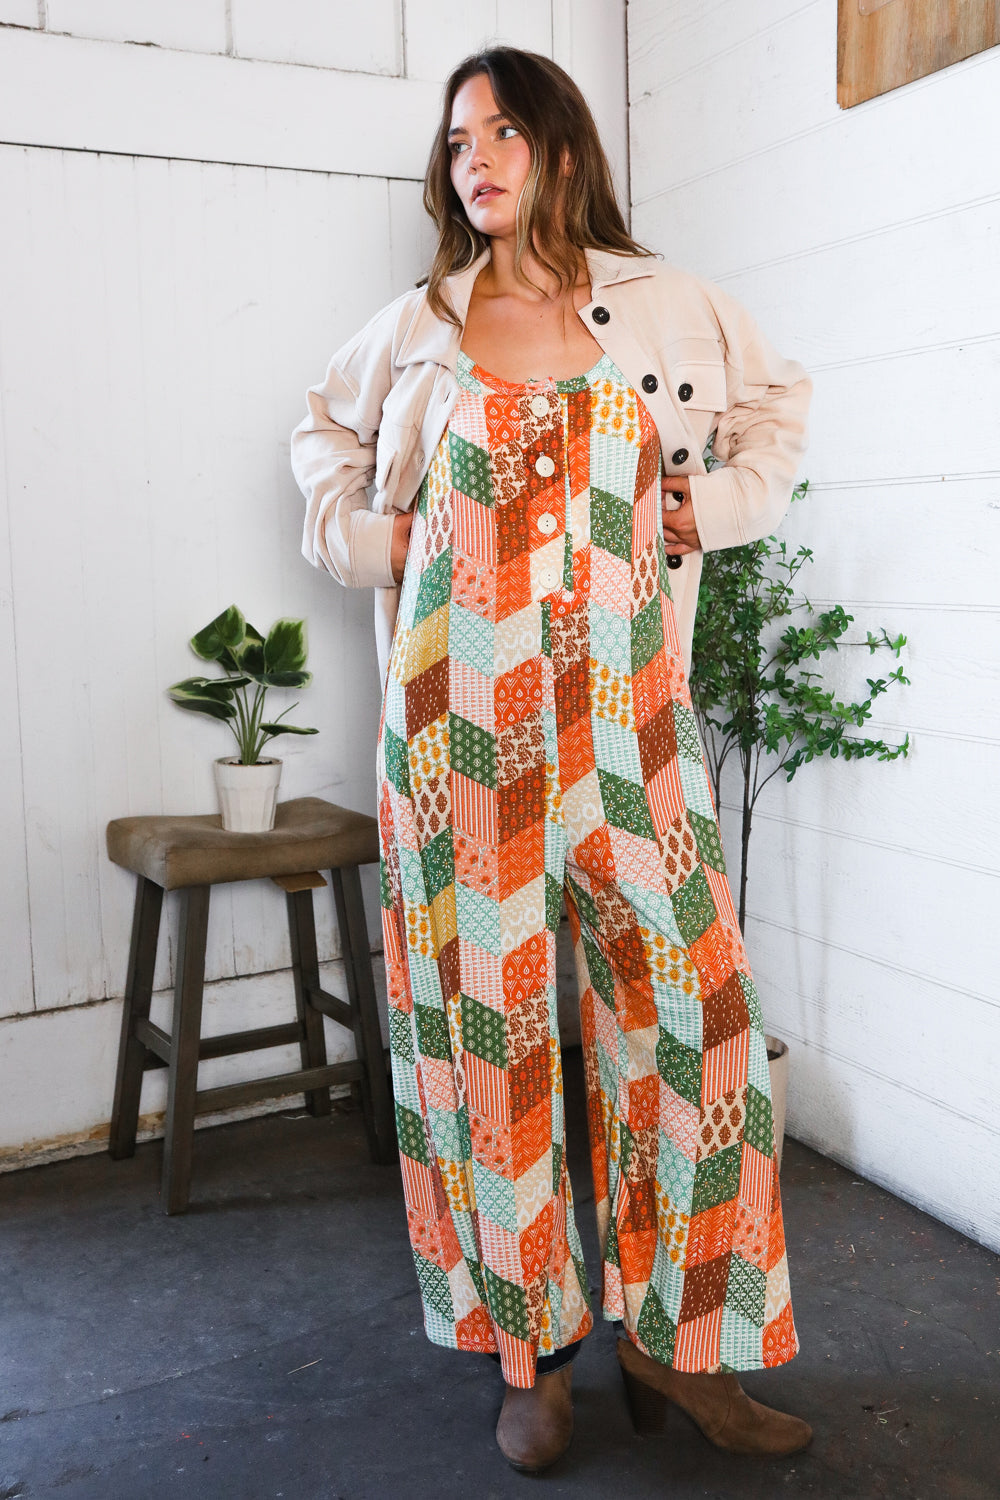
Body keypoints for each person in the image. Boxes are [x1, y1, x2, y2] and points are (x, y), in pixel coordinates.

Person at [292, 46, 813, 1475]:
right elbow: (320, 433)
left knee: (698, 1025)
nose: (477, 159)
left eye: (504, 131)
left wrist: (711, 508)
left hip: (629, 731)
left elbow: (777, 407)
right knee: (493, 1049)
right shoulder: (422, 328)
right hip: (461, 740)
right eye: (459, 139)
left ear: (563, 149)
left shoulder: (663, 306)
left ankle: (680, 1344)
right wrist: (378, 536)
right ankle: (531, 1358)